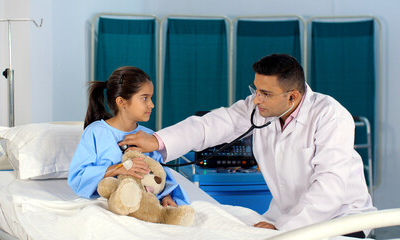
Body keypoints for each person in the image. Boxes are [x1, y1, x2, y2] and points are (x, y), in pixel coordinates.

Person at [118, 54, 376, 237]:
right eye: (255, 89)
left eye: (265, 93)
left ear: (293, 97)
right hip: (283, 217)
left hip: (340, 220)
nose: (256, 99)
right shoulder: (259, 110)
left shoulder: (330, 115)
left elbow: (330, 187)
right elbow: (211, 125)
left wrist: (284, 229)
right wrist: (157, 140)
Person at [68, 66, 190, 207]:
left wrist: (166, 197)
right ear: (121, 102)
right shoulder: (95, 133)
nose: (152, 105)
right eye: (144, 98)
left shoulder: (149, 136)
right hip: (106, 205)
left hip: (143, 205)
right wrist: (119, 168)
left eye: (151, 98)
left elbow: (160, 174)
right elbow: (78, 178)